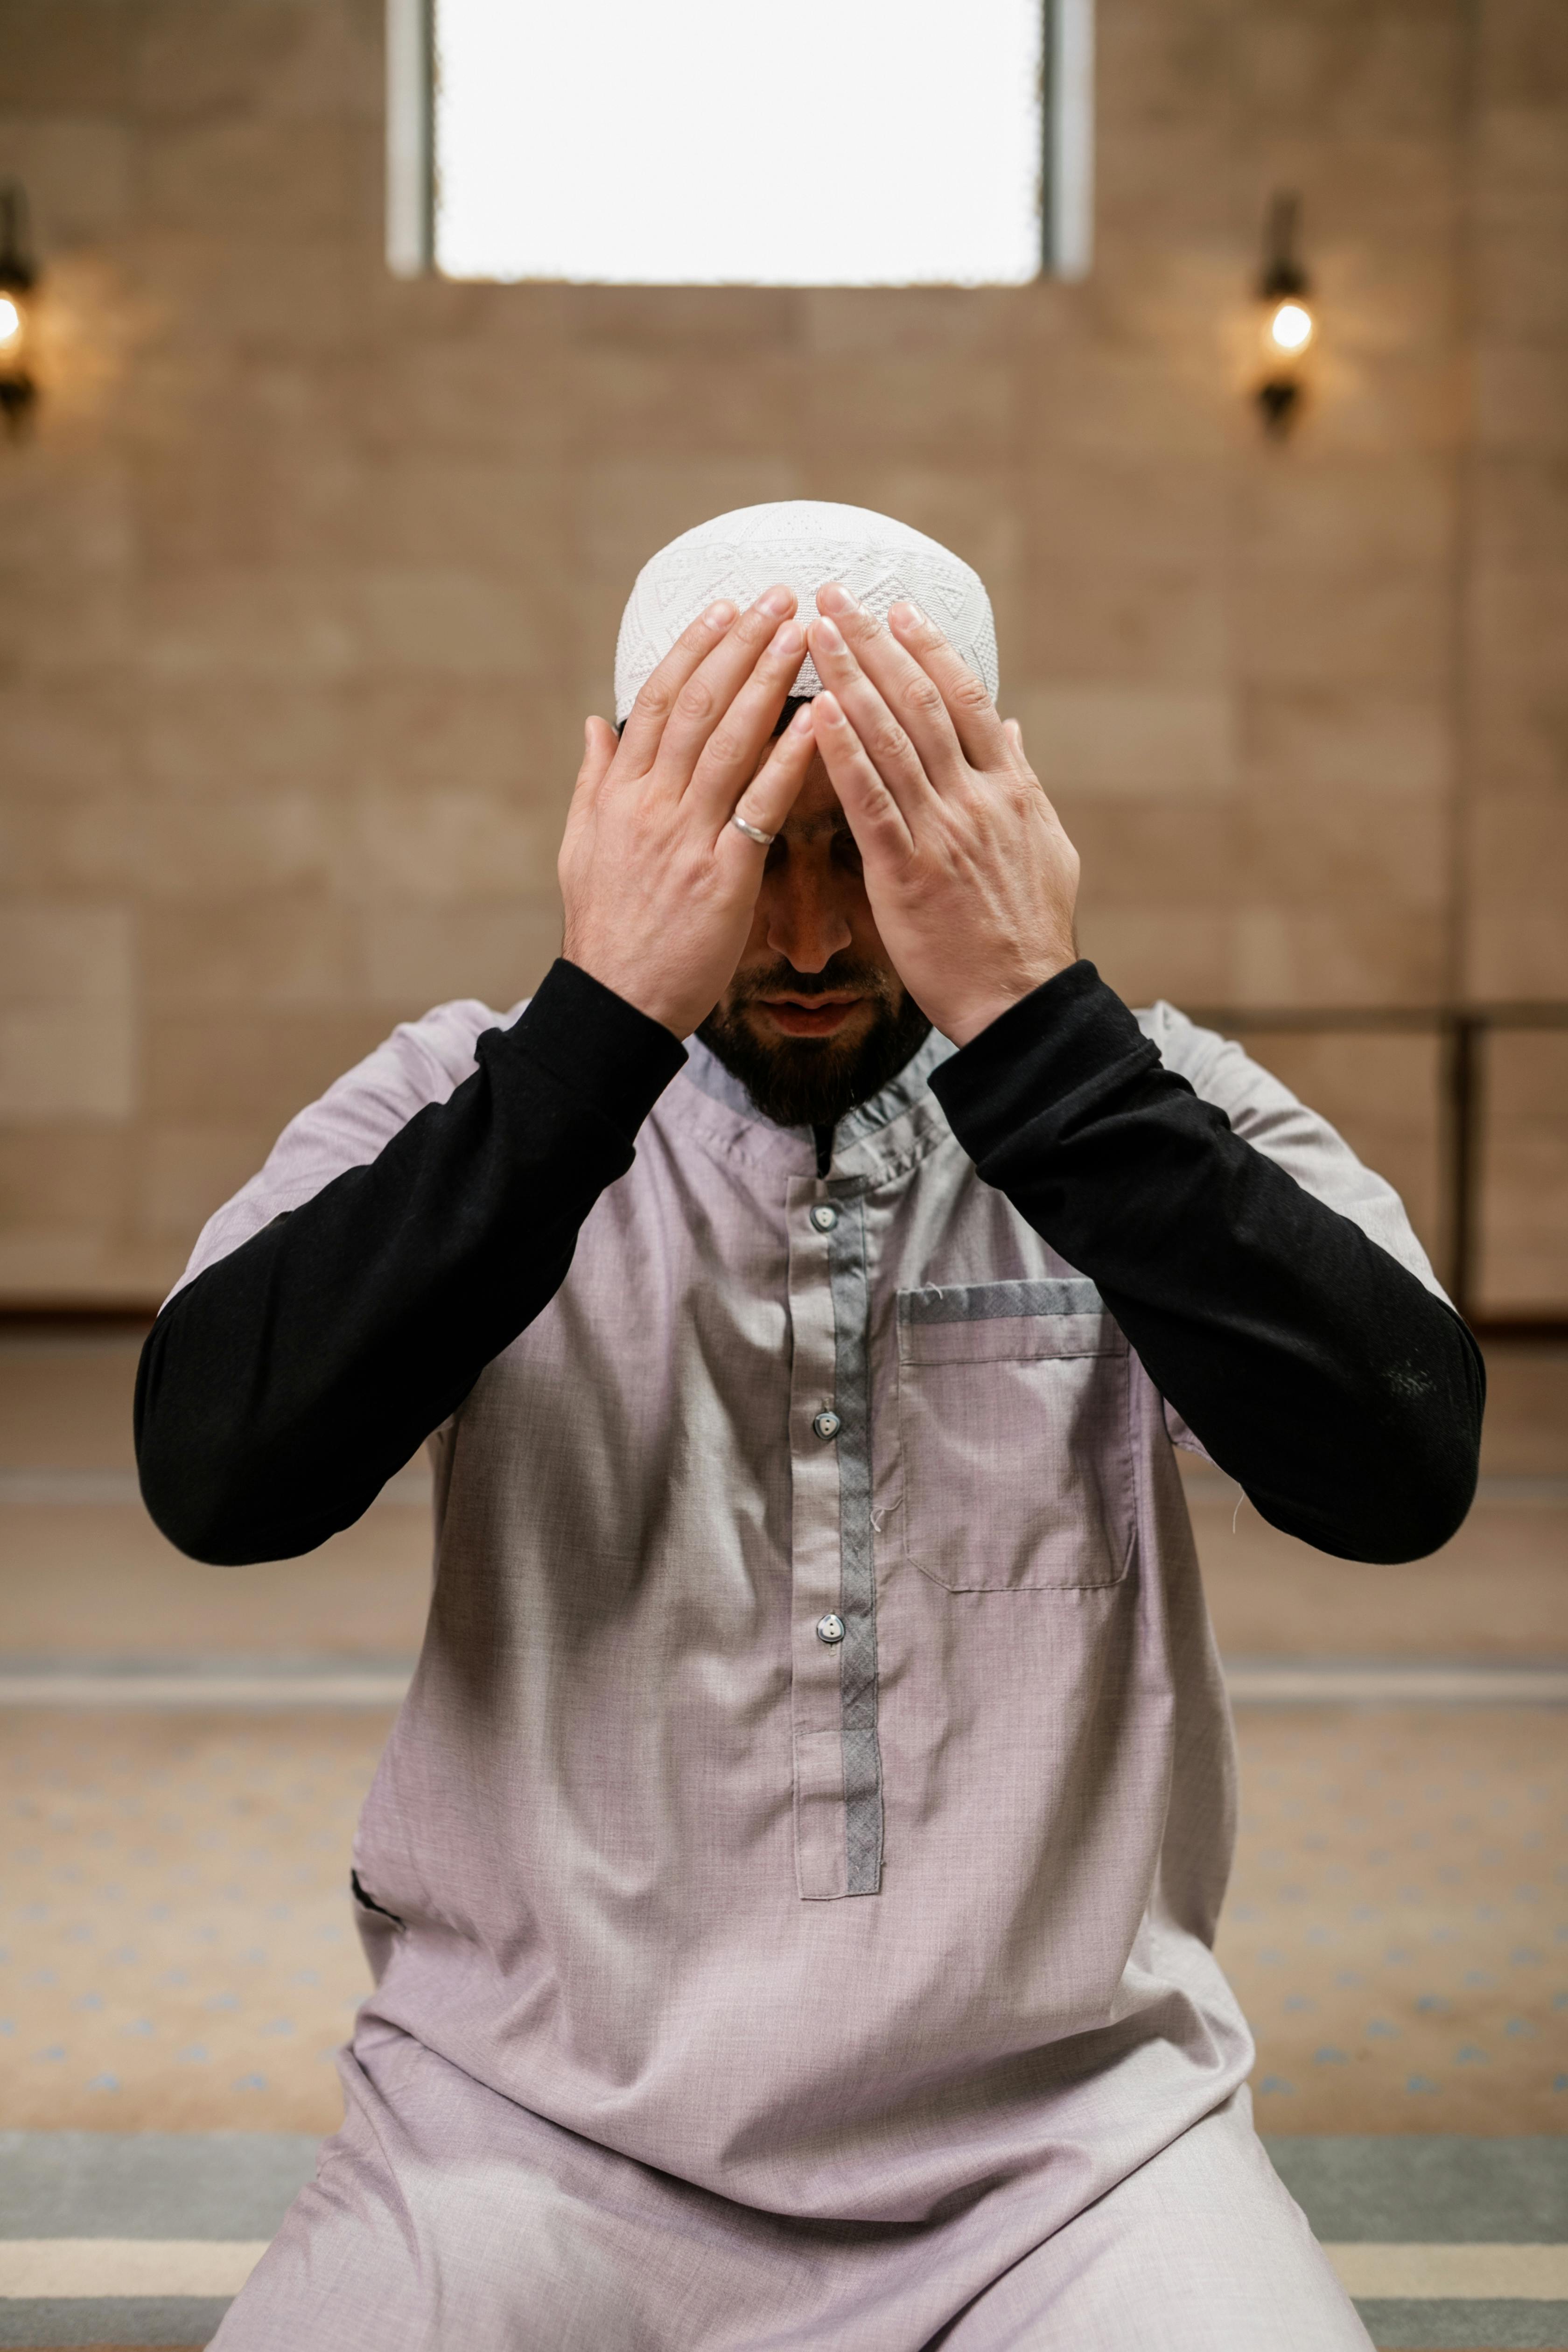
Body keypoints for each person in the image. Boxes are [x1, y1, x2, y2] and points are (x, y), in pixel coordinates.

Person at [136, 502, 1482, 2351]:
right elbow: (218, 1477)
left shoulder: (1145, 1107)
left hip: (1081, 2158)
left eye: (871, 847)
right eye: (753, 846)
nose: (812, 936)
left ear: (992, 807)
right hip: (513, 2137)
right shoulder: (464, 1103)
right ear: (624, 813)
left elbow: (1401, 1472)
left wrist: (1029, 1022)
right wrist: (602, 1020)